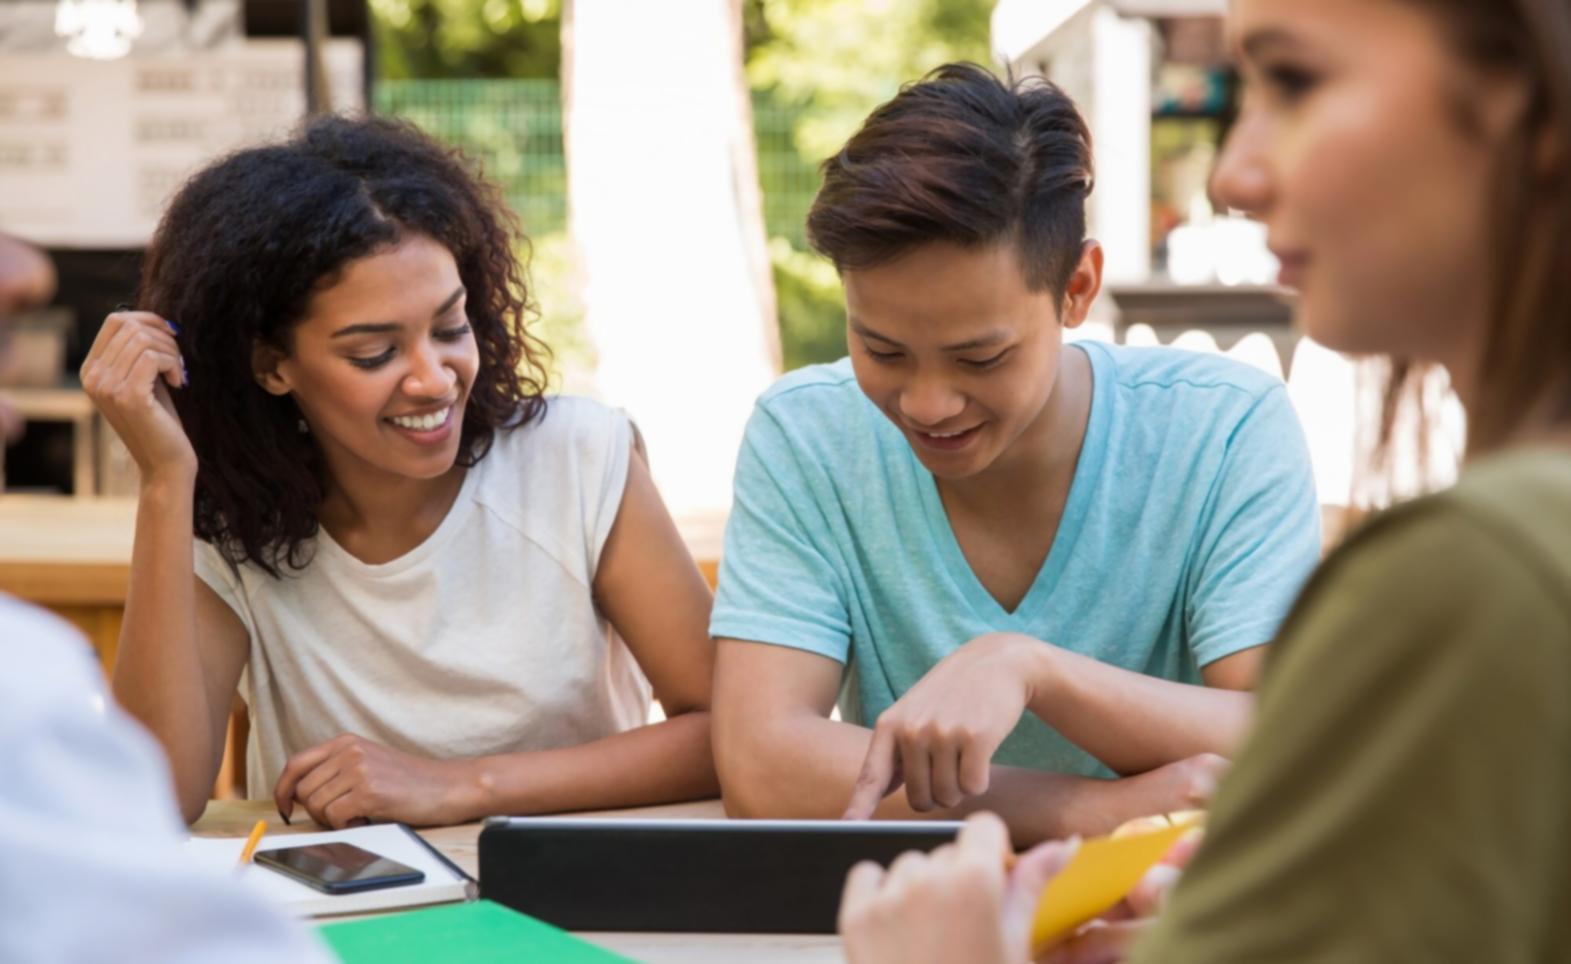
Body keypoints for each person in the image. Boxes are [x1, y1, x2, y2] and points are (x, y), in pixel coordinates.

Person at [838, 0, 1571, 960]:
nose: (1233, 173)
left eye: (1297, 81)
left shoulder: (1479, 567)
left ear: (1523, 100)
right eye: (884, 346)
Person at [711, 63, 1320, 842]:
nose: (926, 404)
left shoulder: (1225, 426)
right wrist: (1092, 812)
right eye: (881, 349)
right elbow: (761, 764)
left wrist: (1032, 670)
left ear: (1076, 288)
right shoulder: (806, 434)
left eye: (979, 358)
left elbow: (1288, 734)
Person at [82, 115, 718, 827]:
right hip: (349, 921)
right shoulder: (231, 520)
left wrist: (461, 786)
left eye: (450, 328)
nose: (433, 380)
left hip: (558, 906)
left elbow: (728, 729)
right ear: (271, 365)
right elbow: (151, 796)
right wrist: (166, 482)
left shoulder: (578, 458)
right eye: (373, 353)